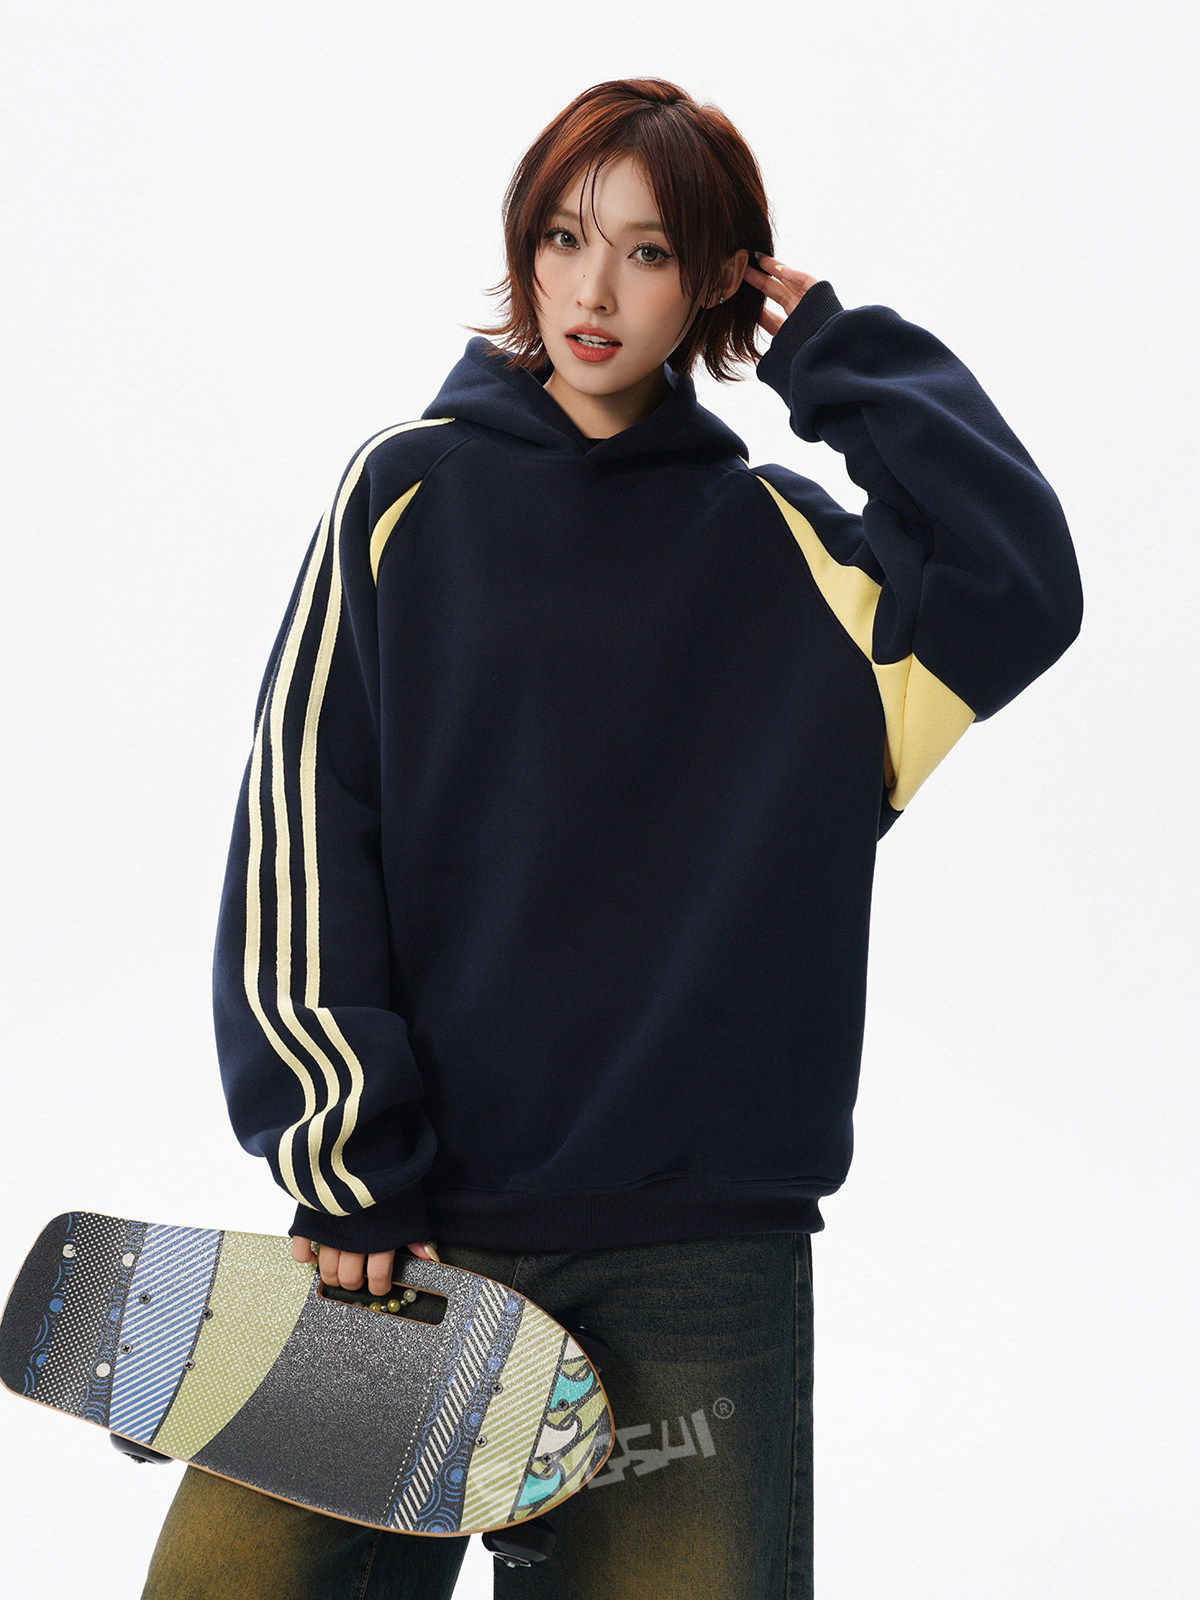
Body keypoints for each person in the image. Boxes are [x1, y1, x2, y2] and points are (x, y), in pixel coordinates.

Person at [141, 75, 1083, 1600]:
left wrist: (832, 352)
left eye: (649, 253)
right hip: (403, 1251)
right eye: (564, 238)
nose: (590, 291)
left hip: (698, 1278)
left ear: (715, 283)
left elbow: (1019, 578)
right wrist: (347, 1161)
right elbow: (307, 836)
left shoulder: (799, 563)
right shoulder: (405, 500)